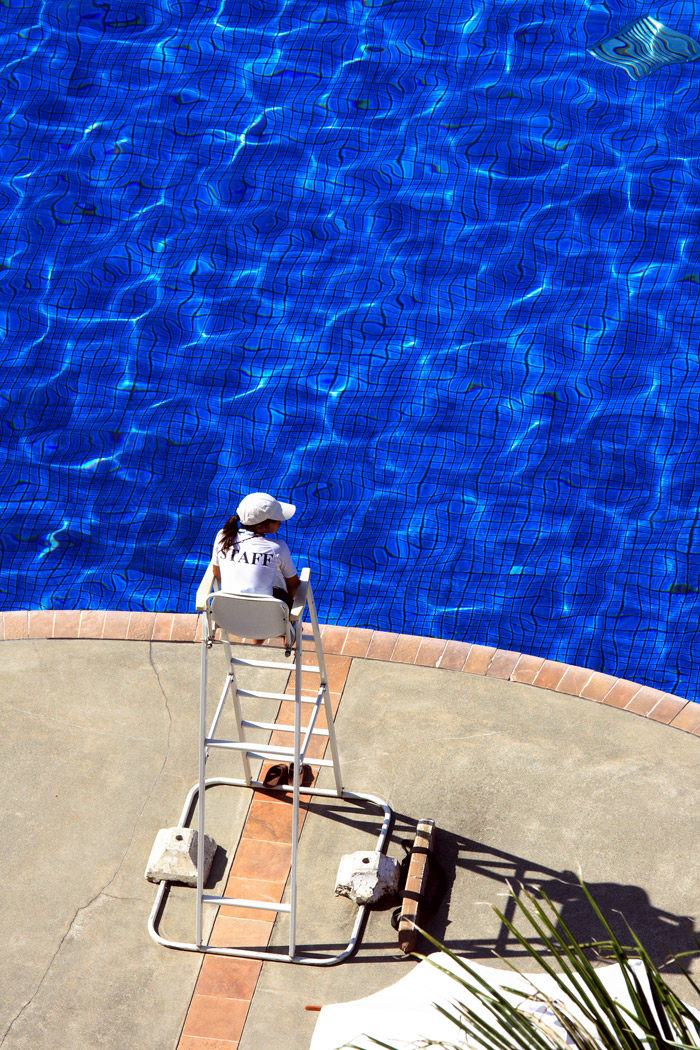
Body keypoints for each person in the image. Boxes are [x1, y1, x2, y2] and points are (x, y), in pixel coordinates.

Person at [211, 492, 300, 643]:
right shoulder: (277, 548)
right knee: (281, 585)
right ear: (261, 527)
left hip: (227, 619)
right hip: (269, 623)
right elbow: (294, 586)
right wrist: (293, 606)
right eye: (277, 519)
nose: (281, 522)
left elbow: (217, 575)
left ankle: (258, 637)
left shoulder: (222, 537)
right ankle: (288, 635)